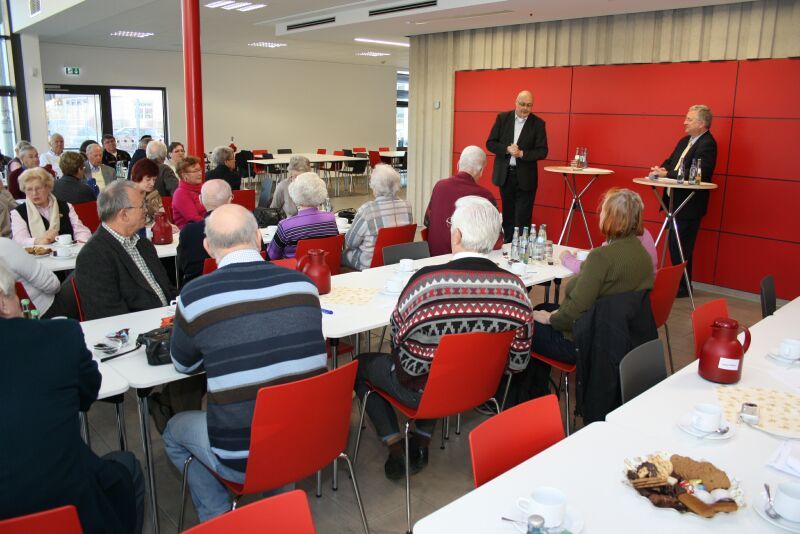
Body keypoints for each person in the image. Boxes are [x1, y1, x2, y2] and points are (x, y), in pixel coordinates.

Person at [163, 204, 327, 522]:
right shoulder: (304, 285)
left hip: (242, 455)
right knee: (280, 398)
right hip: (307, 438)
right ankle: (279, 511)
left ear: (208, 247)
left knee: (174, 430)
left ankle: (218, 516)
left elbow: (182, 365)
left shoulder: (196, 295)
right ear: (258, 238)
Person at [354, 196, 534, 479]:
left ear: (458, 235)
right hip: (481, 387)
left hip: (423, 390)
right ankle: (422, 439)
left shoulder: (428, 284)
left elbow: (397, 335)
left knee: (361, 364)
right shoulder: (517, 289)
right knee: (445, 366)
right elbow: (519, 361)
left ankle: (395, 444)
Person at [0, 259, 145, 534]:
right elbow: (87, 394)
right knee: (126, 468)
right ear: (4, 303)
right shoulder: (58, 337)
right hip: (66, 505)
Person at [520, 188, 655, 399]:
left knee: (523, 325)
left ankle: (519, 395)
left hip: (583, 339)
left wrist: (551, 319)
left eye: (602, 210)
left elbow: (574, 312)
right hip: (618, 338)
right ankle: (537, 390)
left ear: (611, 217)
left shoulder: (602, 258)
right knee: (539, 309)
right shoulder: (643, 256)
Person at [74, 179, 177, 319]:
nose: (146, 210)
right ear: (123, 215)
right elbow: (110, 317)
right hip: (140, 331)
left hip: (168, 322)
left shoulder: (143, 244)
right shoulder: (93, 256)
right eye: (142, 205)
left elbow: (168, 290)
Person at [649, 104, 717, 297]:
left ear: (702, 123)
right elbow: (671, 161)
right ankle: (679, 284)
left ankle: (683, 286)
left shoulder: (707, 144)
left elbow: (700, 173)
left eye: (689, 119)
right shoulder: (685, 141)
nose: (684, 122)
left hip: (688, 204)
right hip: (674, 204)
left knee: (682, 247)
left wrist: (668, 174)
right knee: (675, 245)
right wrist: (660, 170)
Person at [486, 90, 549, 241]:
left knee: (523, 218)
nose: (525, 108)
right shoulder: (503, 118)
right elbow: (490, 143)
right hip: (505, 175)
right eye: (522, 104)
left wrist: (522, 154)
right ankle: (507, 247)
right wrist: (506, 149)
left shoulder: (538, 124)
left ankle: (522, 250)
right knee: (508, 215)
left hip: (526, 178)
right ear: (515, 102)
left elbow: (543, 151)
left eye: (529, 105)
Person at [423, 145, 496, 256]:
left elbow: (427, 222)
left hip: (434, 257)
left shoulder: (439, 186)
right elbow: (495, 237)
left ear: (458, 165)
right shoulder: (485, 196)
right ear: (481, 171)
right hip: (465, 260)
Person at [342, 164, 413, 270]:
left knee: (342, 255)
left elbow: (350, 242)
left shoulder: (367, 210)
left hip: (370, 264)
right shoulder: (407, 206)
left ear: (375, 187)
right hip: (397, 260)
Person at [11, 168, 92, 247]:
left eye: (38, 188)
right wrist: (39, 240)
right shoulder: (18, 213)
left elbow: (81, 231)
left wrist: (79, 247)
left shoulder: (65, 206)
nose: (34, 193)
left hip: (67, 254)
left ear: (48, 187)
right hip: (37, 257)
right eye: (29, 189)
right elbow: (19, 240)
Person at [267, 172, 337, 259]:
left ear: (294, 194)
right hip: (324, 268)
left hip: (293, 270)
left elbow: (271, 256)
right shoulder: (331, 219)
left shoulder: (285, 225)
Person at [0, 238, 74, 318]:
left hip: (10, 324)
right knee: (83, 266)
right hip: (43, 312)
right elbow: (52, 285)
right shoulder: (5, 246)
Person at [176, 179, 232, 286]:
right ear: (230, 200)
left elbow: (181, 266)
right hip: (239, 288)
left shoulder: (189, 232)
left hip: (197, 290)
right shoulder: (248, 227)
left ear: (200, 200)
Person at [560, 228, 659, 274]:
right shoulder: (643, 232)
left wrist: (566, 257)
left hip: (621, 306)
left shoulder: (622, 239)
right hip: (643, 299)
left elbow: (587, 269)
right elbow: (606, 252)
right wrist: (591, 252)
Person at [129, 158, 168, 227]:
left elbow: (163, 216)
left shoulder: (154, 193)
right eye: (148, 179)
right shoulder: (127, 197)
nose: (152, 183)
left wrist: (167, 224)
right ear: (137, 177)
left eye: (154, 180)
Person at [172, 156, 207, 229]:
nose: (200, 173)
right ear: (184, 175)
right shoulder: (180, 193)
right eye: (195, 171)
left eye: (200, 170)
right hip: (190, 231)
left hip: (206, 227)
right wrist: (215, 224)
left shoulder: (204, 187)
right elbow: (193, 218)